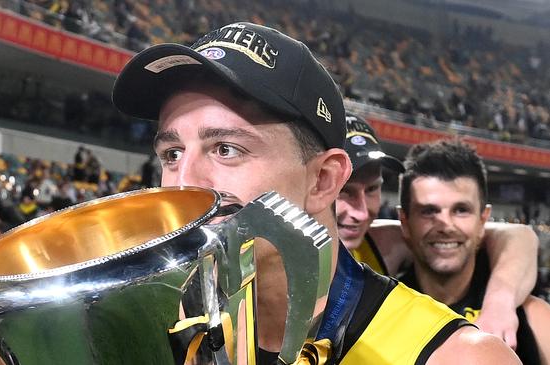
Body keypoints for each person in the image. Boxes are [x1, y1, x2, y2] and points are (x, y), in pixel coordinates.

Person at [112, 22, 519, 364]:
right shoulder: (155, 324)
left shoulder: (456, 357)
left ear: (324, 180)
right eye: (172, 153)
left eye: (226, 149)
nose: (184, 184)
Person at [338, 114, 539, 348]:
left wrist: (499, 302)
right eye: (344, 190)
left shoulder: (375, 244)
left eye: (372, 189)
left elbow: (516, 236)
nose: (361, 212)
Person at [398, 139, 550, 364]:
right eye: (429, 211)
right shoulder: (377, 311)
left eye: (461, 210)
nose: (445, 225)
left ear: (483, 221)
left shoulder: (532, 317)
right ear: (404, 222)